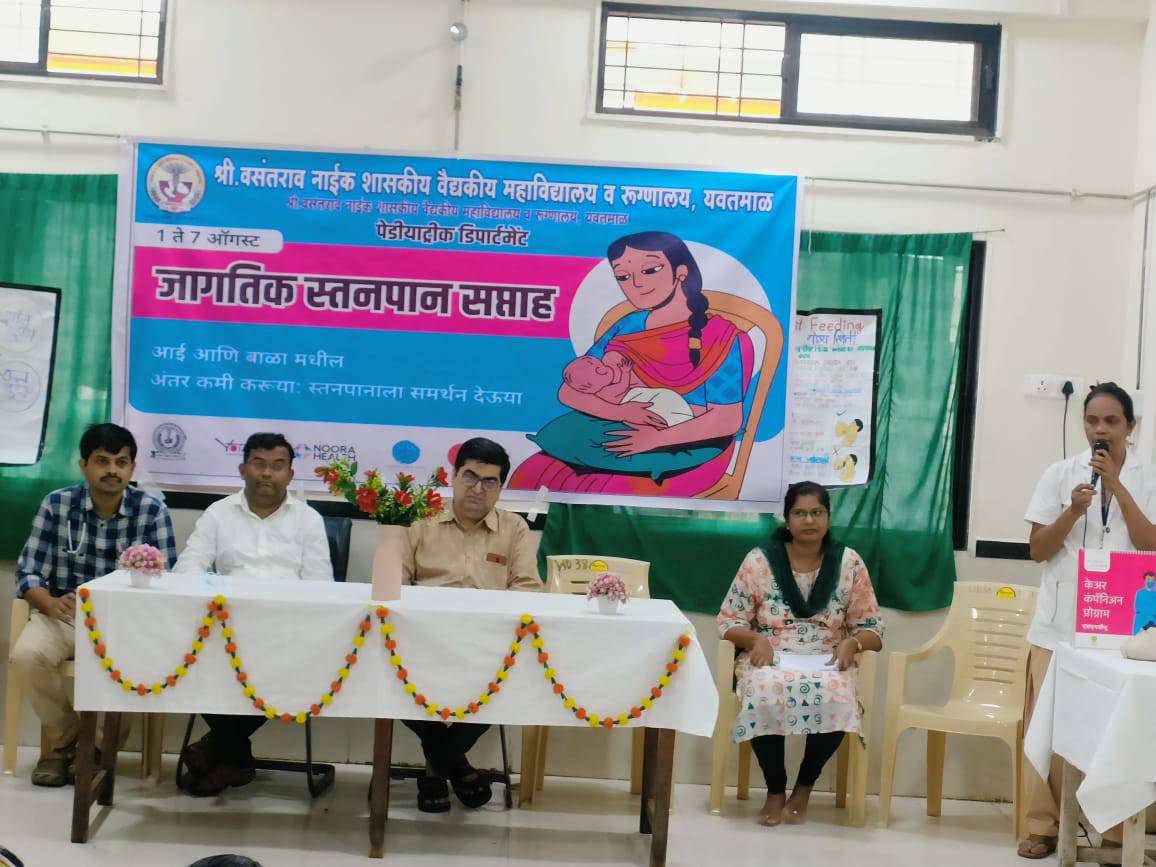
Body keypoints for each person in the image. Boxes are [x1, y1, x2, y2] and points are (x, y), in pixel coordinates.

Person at [510, 231, 760, 496]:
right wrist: (621, 412)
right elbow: (569, 391)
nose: (636, 284)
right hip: (620, 424)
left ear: (681, 272)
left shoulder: (724, 338)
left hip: (692, 443)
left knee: (606, 490)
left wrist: (656, 438)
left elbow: (727, 420)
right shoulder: (628, 325)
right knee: (533, 473)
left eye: (650, 270)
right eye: (623, 276)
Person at [1019, 382, 1156, 858]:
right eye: (1092, 420)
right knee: (1046, 731)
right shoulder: (1059, 474)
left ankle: (1115, 834)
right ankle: (1041, 825)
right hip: (1059, 625)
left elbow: (1151, 545)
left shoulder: (1148, 477)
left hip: (1123, 630)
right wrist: (1074, 510)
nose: (1101, 429)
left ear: (1130, 426)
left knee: (1116, 734)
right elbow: (1038, 550)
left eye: (1111, 421)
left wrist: (1117, 487)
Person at [11, 423, 176, 787]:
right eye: (102, 461)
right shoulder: (57, 504)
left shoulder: (151, 511)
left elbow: (168, 580)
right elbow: (29, 572)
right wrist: (48, 603)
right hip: (64, 615)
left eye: (121, 462)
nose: (112, 470)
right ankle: (67, 742)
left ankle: (98, 751)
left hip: (126, 623)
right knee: (26, 655)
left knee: (136, 665)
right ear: (84, 465)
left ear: (132, 468)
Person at [173, 432, 333, 796]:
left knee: (285, 670)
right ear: (243, 469)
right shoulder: (218, 513)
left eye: (278, 466)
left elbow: (321, 585)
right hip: (226, 629)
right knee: (196, 660)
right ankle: (236, 757)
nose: (267, 473)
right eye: (258, 464)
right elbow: (188, 567)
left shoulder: (308, 520)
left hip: (286, 634)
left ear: (290, 475)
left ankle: (218, 750)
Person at [717, 481, 883, 826]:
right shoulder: (760, 560)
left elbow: (872, 629)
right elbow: (728, 621)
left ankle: (804, 788)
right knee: (764, 690)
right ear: (787, 518)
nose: (809, 520)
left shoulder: (848, 562)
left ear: (828, 517)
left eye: (817, 512)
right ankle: (775, 790)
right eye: (800, 513)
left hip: (827, 656)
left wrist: (853, 643)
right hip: (771, 653)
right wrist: (754, 640)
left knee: (839, 694)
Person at [401, 437, 540, 812]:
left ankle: (437, 767)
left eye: (489, 481)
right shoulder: (419, 520)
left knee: (510, 680)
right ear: (453, 475)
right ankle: (457, 766)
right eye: (470, 476)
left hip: (487, 647)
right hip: (422, 641)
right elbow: (396, 584)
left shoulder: (514, 529)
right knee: (389, 673)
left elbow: (527, 589)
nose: (478, 488)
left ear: (501, 487)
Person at [562, 352, 695, 427]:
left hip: (646, 397)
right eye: (599, 371)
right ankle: (678, 421)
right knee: (661, 402)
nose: (605, 369)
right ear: (589, 388)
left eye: (600, 365)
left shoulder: (605, 387)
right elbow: (622, 387)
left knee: (666, 398)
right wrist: (625, 372)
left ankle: (681, 419)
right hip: (637, 401)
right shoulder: (604, 393)